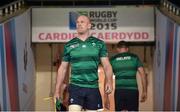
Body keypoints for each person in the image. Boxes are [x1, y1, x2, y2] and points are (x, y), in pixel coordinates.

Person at [54, 15, 113, 111]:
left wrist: (110, 81)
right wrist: (57, 90)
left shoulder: (99, 44)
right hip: (75, 87)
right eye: (77, 22)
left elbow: (106, 66)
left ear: (89, 25)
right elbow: (63, 68)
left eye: (82, 22)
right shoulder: (69, 45)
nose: (79, 24)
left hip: (93, 88)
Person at [107, 41, 147, 111]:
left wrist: (106, 96)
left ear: (117, 49)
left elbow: (107, 78)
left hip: (119, 91)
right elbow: (143, 75)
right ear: (127, 49)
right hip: (132, 91)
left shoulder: (113, 60)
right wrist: (144, 91)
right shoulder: (134, 58)